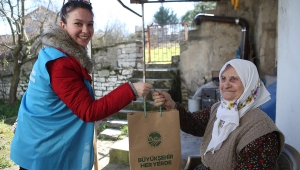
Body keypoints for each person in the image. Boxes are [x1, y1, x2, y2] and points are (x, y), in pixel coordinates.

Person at [10, 1, 152, 170]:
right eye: (78, 23)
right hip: (45, 154)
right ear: (63, 26)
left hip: (37, 141)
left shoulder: (51, 52)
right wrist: (131, 90)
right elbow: (88, 111)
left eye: (90, 24)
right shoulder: (60, 63)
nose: (86, 30)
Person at [152, 59, 285, 170]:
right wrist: (172, 105)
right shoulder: (219, 109)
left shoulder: (261, 131)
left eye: (234, 79)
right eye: (223, 78)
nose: (226, 85)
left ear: (249, 83)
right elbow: (193, 124)